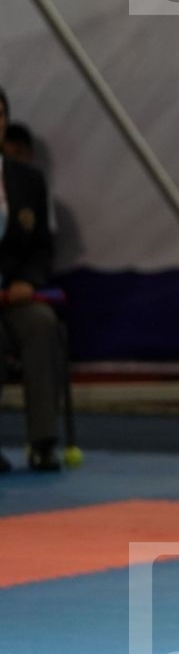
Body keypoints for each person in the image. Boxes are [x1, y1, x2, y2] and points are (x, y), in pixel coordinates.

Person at [0, 87, 61, 474]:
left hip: (13, 297)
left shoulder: (28, 181)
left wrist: (28, 281)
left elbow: (42, 248)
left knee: (43, 324)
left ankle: (42, 442)